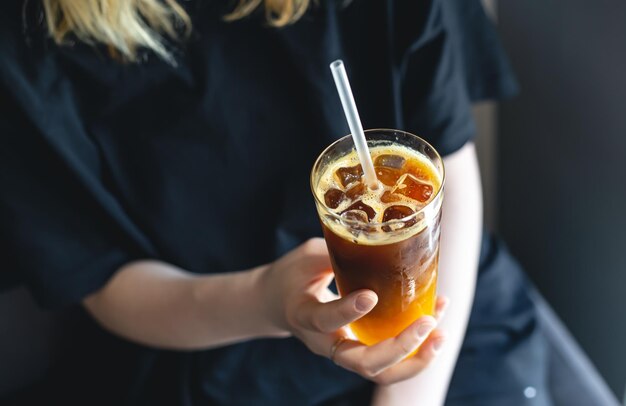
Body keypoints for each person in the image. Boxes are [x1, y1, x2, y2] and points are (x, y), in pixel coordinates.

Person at [0, 0, 548, 405]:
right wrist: (267, 300)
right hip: (214, 353)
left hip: (444, 313)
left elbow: (447, 165)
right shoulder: (24, 35)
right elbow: (100, 280)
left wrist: (409, 393)